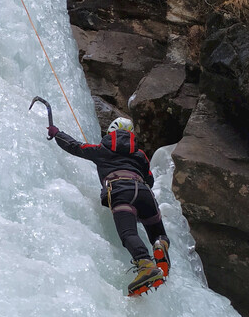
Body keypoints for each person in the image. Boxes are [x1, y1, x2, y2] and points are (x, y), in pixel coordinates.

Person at [47, 117, 170, 296]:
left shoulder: (101, 149)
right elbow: (150, 179)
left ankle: (145, 264)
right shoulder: (140, 154)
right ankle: (159, 245)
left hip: (120, 191)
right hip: (144, 193)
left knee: (129, 233)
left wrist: (57, 133)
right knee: (158, 234)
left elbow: (75, 146)